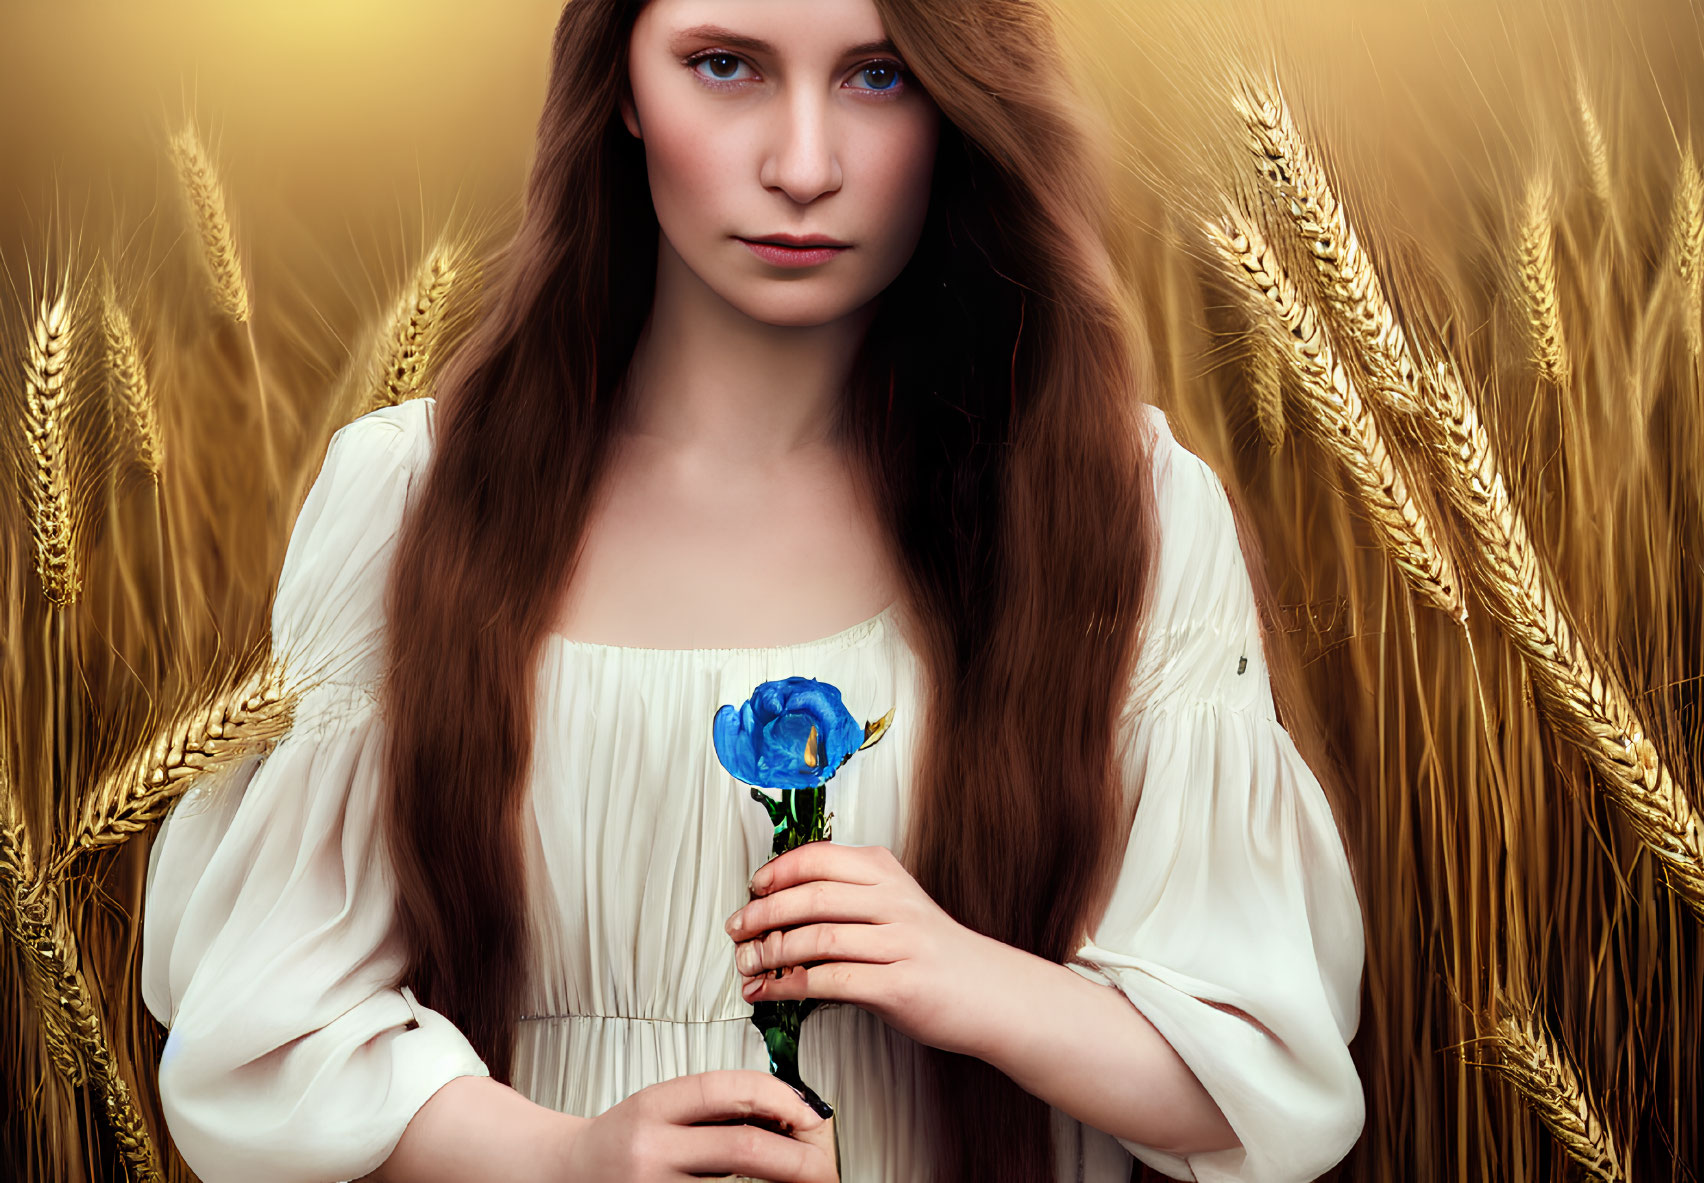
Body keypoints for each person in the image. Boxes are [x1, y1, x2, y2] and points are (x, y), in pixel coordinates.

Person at [140, 1, 1366, 1181]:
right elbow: (262, 1038)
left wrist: (970, 979)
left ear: (958, 99)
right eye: (724, 64)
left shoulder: (1122, 510)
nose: (801, 164)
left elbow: (1264, 1081)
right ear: (618, 81)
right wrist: (560, 1158)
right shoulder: (412, 494)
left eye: (878, 74)